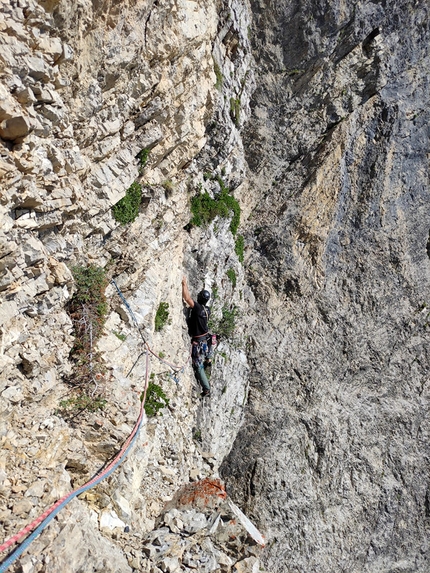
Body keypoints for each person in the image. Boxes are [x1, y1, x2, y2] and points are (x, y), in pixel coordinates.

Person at [182, 276, 213, 397]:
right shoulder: (207, 310)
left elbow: (187, 298)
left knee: (198, 366)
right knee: (201, 362)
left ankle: (206, 389)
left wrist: (185, 284)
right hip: (205, 340)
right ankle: (208, 361)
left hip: (198, 342)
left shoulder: (198, 308)